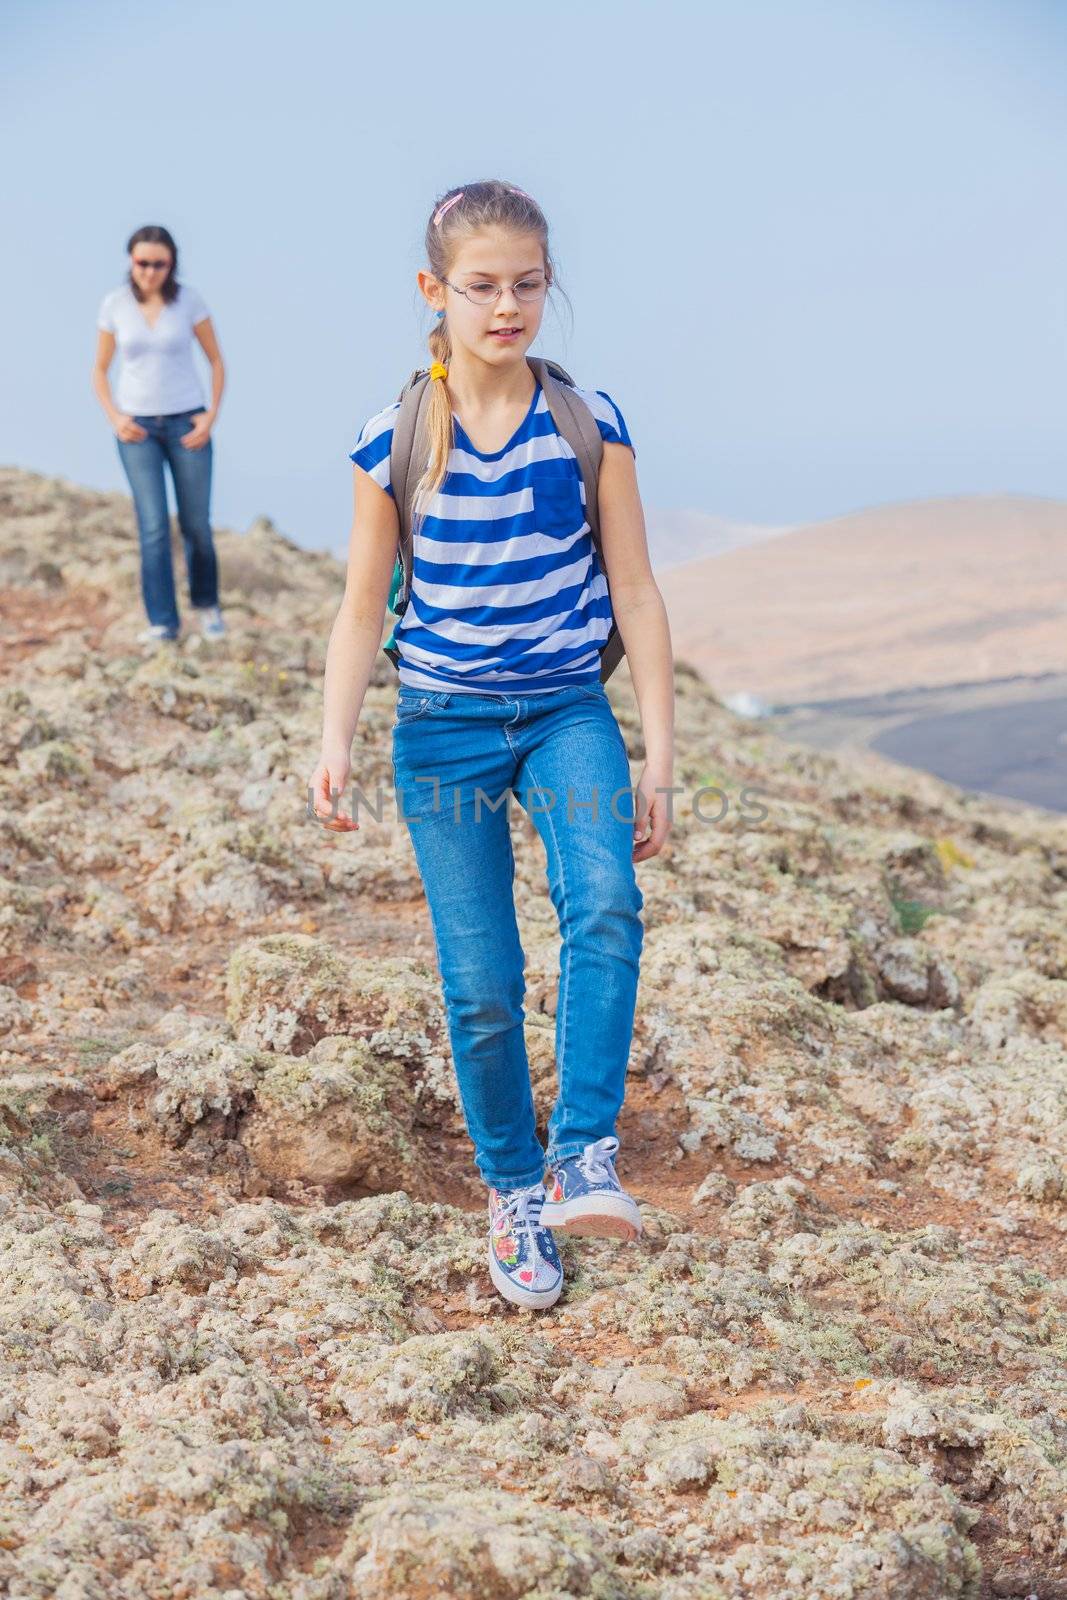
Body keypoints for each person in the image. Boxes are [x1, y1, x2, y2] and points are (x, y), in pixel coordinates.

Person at [309, 179, 675, 1311]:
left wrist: (658, 757)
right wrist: (334, 740)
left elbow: (638, 591)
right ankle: (514, 1192)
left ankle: (581, 1158)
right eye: (481, 286)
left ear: (545, 285)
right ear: (434, 291)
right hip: (444, 732)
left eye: (525, 284)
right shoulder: (393, 437)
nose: (506, 305)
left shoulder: (588, 422)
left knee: (604, 906)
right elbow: (362, 607)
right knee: (481, 984)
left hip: (567, 711)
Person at [92, 225, 226, 644]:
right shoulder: (114, 305)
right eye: (142, 263)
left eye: (159, 264)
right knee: (151, 524)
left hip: (187, 423)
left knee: (195, 523)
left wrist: (209, 418)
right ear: (131, 262)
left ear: (172, 264)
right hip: (137, 429)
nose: (150, 271)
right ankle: (163, 623)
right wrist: (114, 416)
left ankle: (206, 607)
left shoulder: (190, 302)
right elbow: (99, 369)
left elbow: (217, 362)